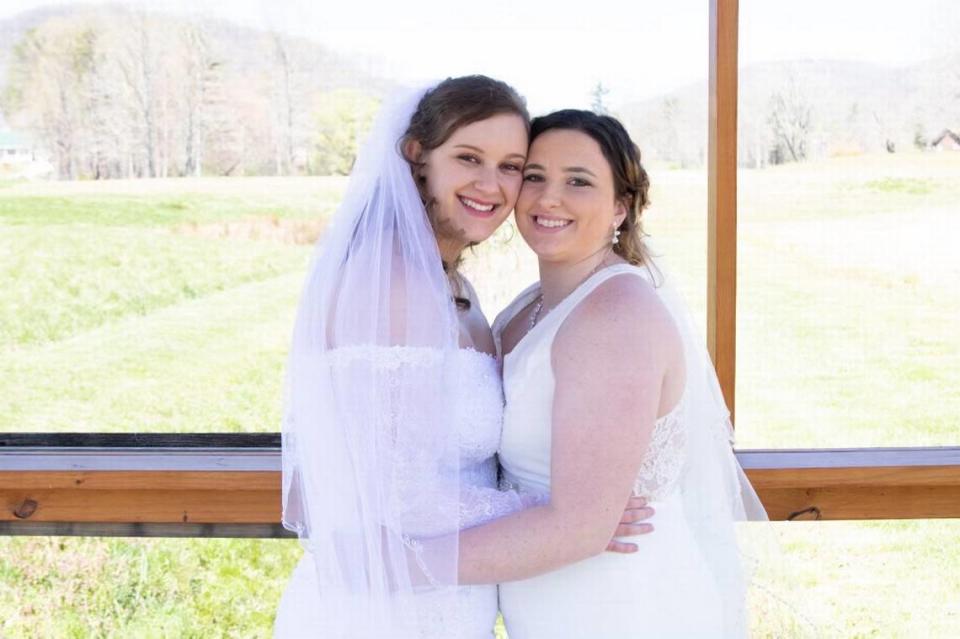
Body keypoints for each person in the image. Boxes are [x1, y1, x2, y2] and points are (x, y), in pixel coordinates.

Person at [274, 79, 651, 638]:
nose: (490, 185)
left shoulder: (456, 288)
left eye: (510, 166)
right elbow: (393, 501)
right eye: (469, 158)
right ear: (417, 157)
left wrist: (569, 517)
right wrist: (561, 516)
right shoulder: (389, 285)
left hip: (446, 601)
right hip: (381, 611)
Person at [441, 110, 768, 637]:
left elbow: (580, 529)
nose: (549, 198)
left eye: (578, 181)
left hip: (620, 605)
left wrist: (402, 564)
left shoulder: (616, 316)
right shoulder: (532, 306)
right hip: (553, 601)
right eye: (534, 177)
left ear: (621, 207)